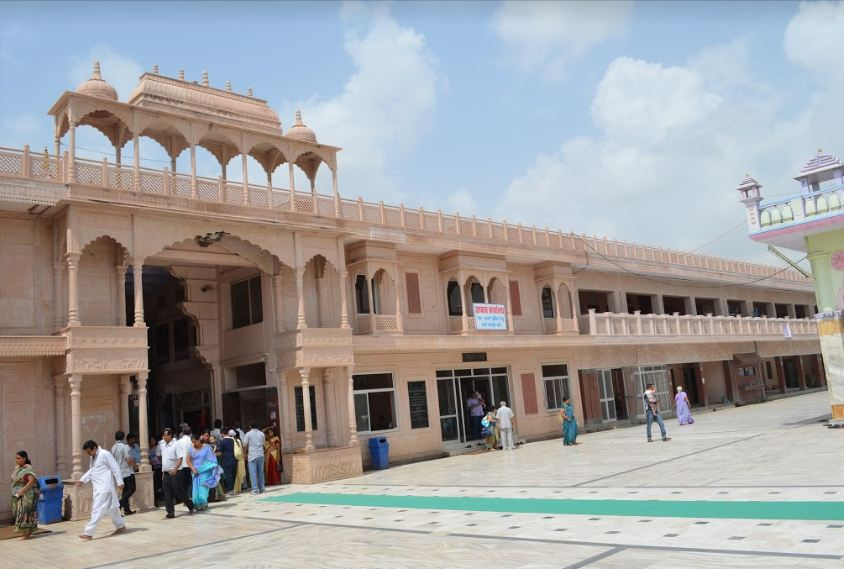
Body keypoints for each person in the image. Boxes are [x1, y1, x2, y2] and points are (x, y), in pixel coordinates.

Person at [74, 440, 126, 540]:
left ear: (95, 448)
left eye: (89, 452)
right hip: (98, 488)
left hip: (105, 488)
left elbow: (115, 467)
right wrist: (82, 480)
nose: (88, 454)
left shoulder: (105, 454)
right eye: (87, 452)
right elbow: (92, 471)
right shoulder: (92, 457)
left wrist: (120, 482)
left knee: (97, 510)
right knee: (111, 509)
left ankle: (88, 533)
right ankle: (121, 526)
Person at [159, 427, 192, 518]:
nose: (164, 437)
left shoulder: (176, 444)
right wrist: (163, 473)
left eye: (165, 435)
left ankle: (190, 505)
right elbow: (164, 460)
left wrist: (175, 469)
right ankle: (170, 512)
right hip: (166, 473)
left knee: (179, 492)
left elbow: (180, 458)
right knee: (167, 493)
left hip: (176, 472)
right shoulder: (163, 445)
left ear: (170, 435)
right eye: (163, 435)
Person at [188, 435, 223, 511]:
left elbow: (212, 459)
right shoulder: (190, 449)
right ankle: (197, 504)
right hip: (195, 471)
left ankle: (204, 503)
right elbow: (188, 460)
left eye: (195, 442)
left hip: (205, 470)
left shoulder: (207, 447)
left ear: (199, 440)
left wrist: (212, 466)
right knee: (195, 488)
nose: (194, 444)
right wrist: (193, 469)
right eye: (192, 442)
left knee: (203, 487)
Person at [10, 450, 39, 539]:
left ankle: (28, 532)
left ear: (24, 458)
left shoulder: (28, 469)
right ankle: (26, 531)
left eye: (19, 458)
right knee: (20, 512)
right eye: (16, 458)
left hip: (27, 494)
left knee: (26, 512)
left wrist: (22, 491)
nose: (17, 460)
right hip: (19, 494)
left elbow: (31, 481)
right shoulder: (18, 468)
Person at [110, 431, 136, 515]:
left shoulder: (113, 447)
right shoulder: (125, 447)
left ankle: (127, 510)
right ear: (123, 437)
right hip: (127, 472)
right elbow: (128, 459)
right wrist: (135, 466)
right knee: (132, 489)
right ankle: (119, 505)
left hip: (119, 472)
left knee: (125, 491)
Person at [242, 422, 266, 495]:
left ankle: (255, 490)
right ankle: (262, 488)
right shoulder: (261, 433)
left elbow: (244, 444)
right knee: (261, 472)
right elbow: (263, 443)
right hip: (260, 454)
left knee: (253, 473)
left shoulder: (248, 434)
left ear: (250, 427)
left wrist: (245, 452)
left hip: (252, 455)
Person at [176, 424, 195, 512]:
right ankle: (189, 497)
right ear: (190, 433)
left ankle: (185, 499)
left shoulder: (179, 441)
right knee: (190, 482)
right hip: (190, 464)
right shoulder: (191, 442)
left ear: (182, 433)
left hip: (181, 465)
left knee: (183, 483)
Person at [218, 430, 237, 495]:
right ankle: (233, 489)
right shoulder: (233, 440)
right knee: (233, 475)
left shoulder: (222, 442)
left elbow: (220, 452)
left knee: (228, 476)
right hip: (234, 460)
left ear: (222, 433)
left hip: (226, 460)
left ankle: (230, 490)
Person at [148, 436, 162, 501]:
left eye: (153, 440)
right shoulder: (148, 449)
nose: (152, 442)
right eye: (150, 440)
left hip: (158, 466)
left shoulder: (157, 448)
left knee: (159, 481)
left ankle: (160, 494)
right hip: (152, 467)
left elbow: (159, 456)